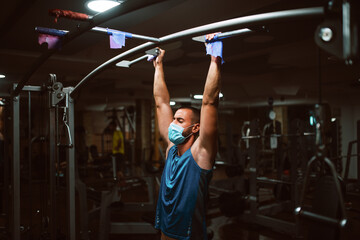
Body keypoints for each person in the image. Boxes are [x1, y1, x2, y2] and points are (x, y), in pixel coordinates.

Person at [152, 33, 222, 240]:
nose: (172, 124)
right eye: (174, 119)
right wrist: (158, 66)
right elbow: (161, 102)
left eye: (180, 121)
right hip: (165, 229)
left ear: (195, 128)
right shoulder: (171, 149)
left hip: (189, 235)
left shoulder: (201, 153)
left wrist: (214, 58)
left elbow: (209, 102)